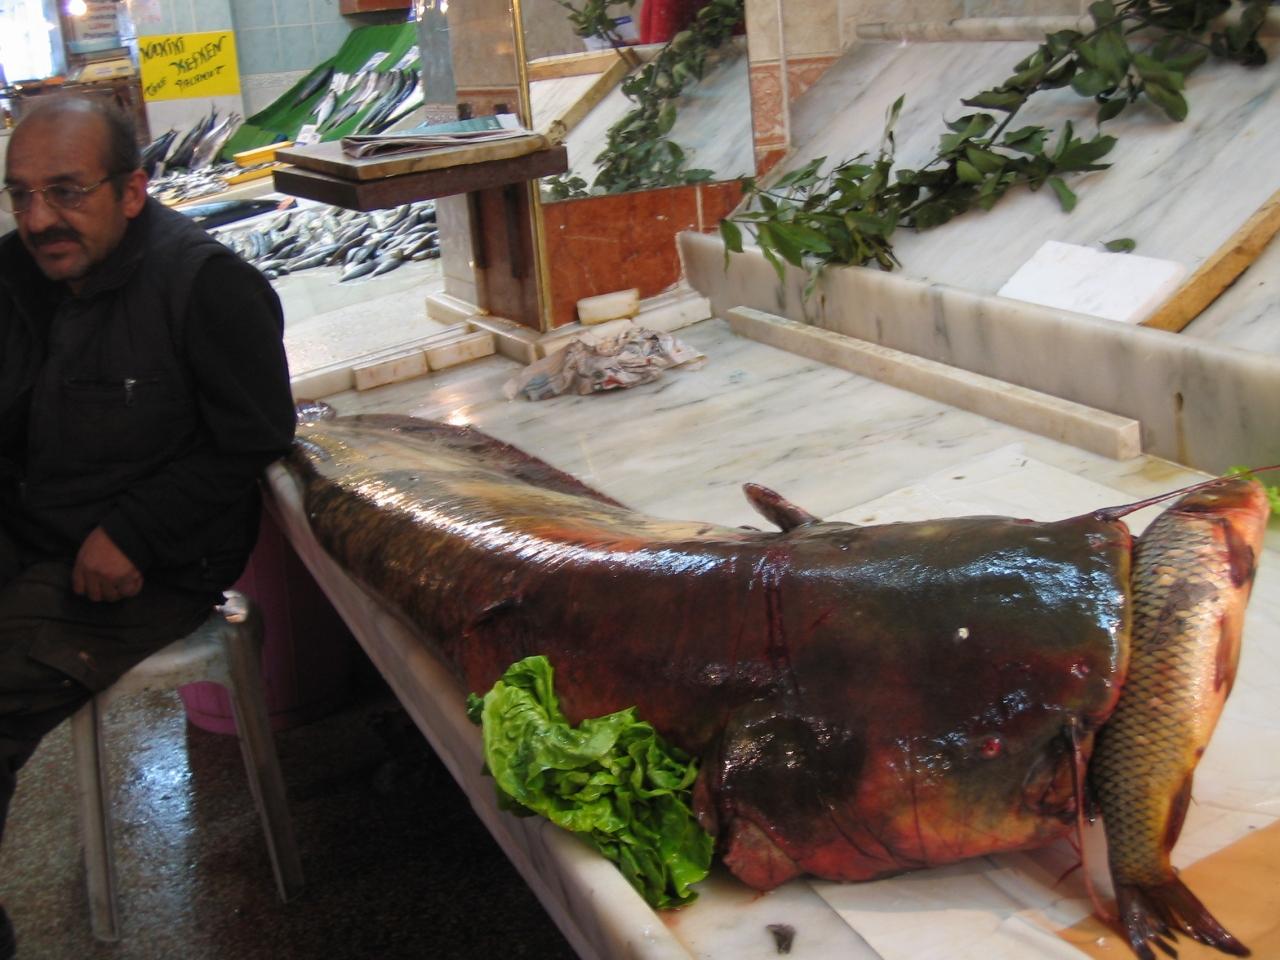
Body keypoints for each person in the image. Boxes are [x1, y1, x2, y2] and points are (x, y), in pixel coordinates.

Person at [0, 96, 295, 957]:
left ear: (133, 190)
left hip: (149, 563)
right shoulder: (14, 275)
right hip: (29, 528)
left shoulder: (206, 286)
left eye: (66, 191)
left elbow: (253, 435)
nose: (38, 220)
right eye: (20, 195)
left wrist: (136, 530)